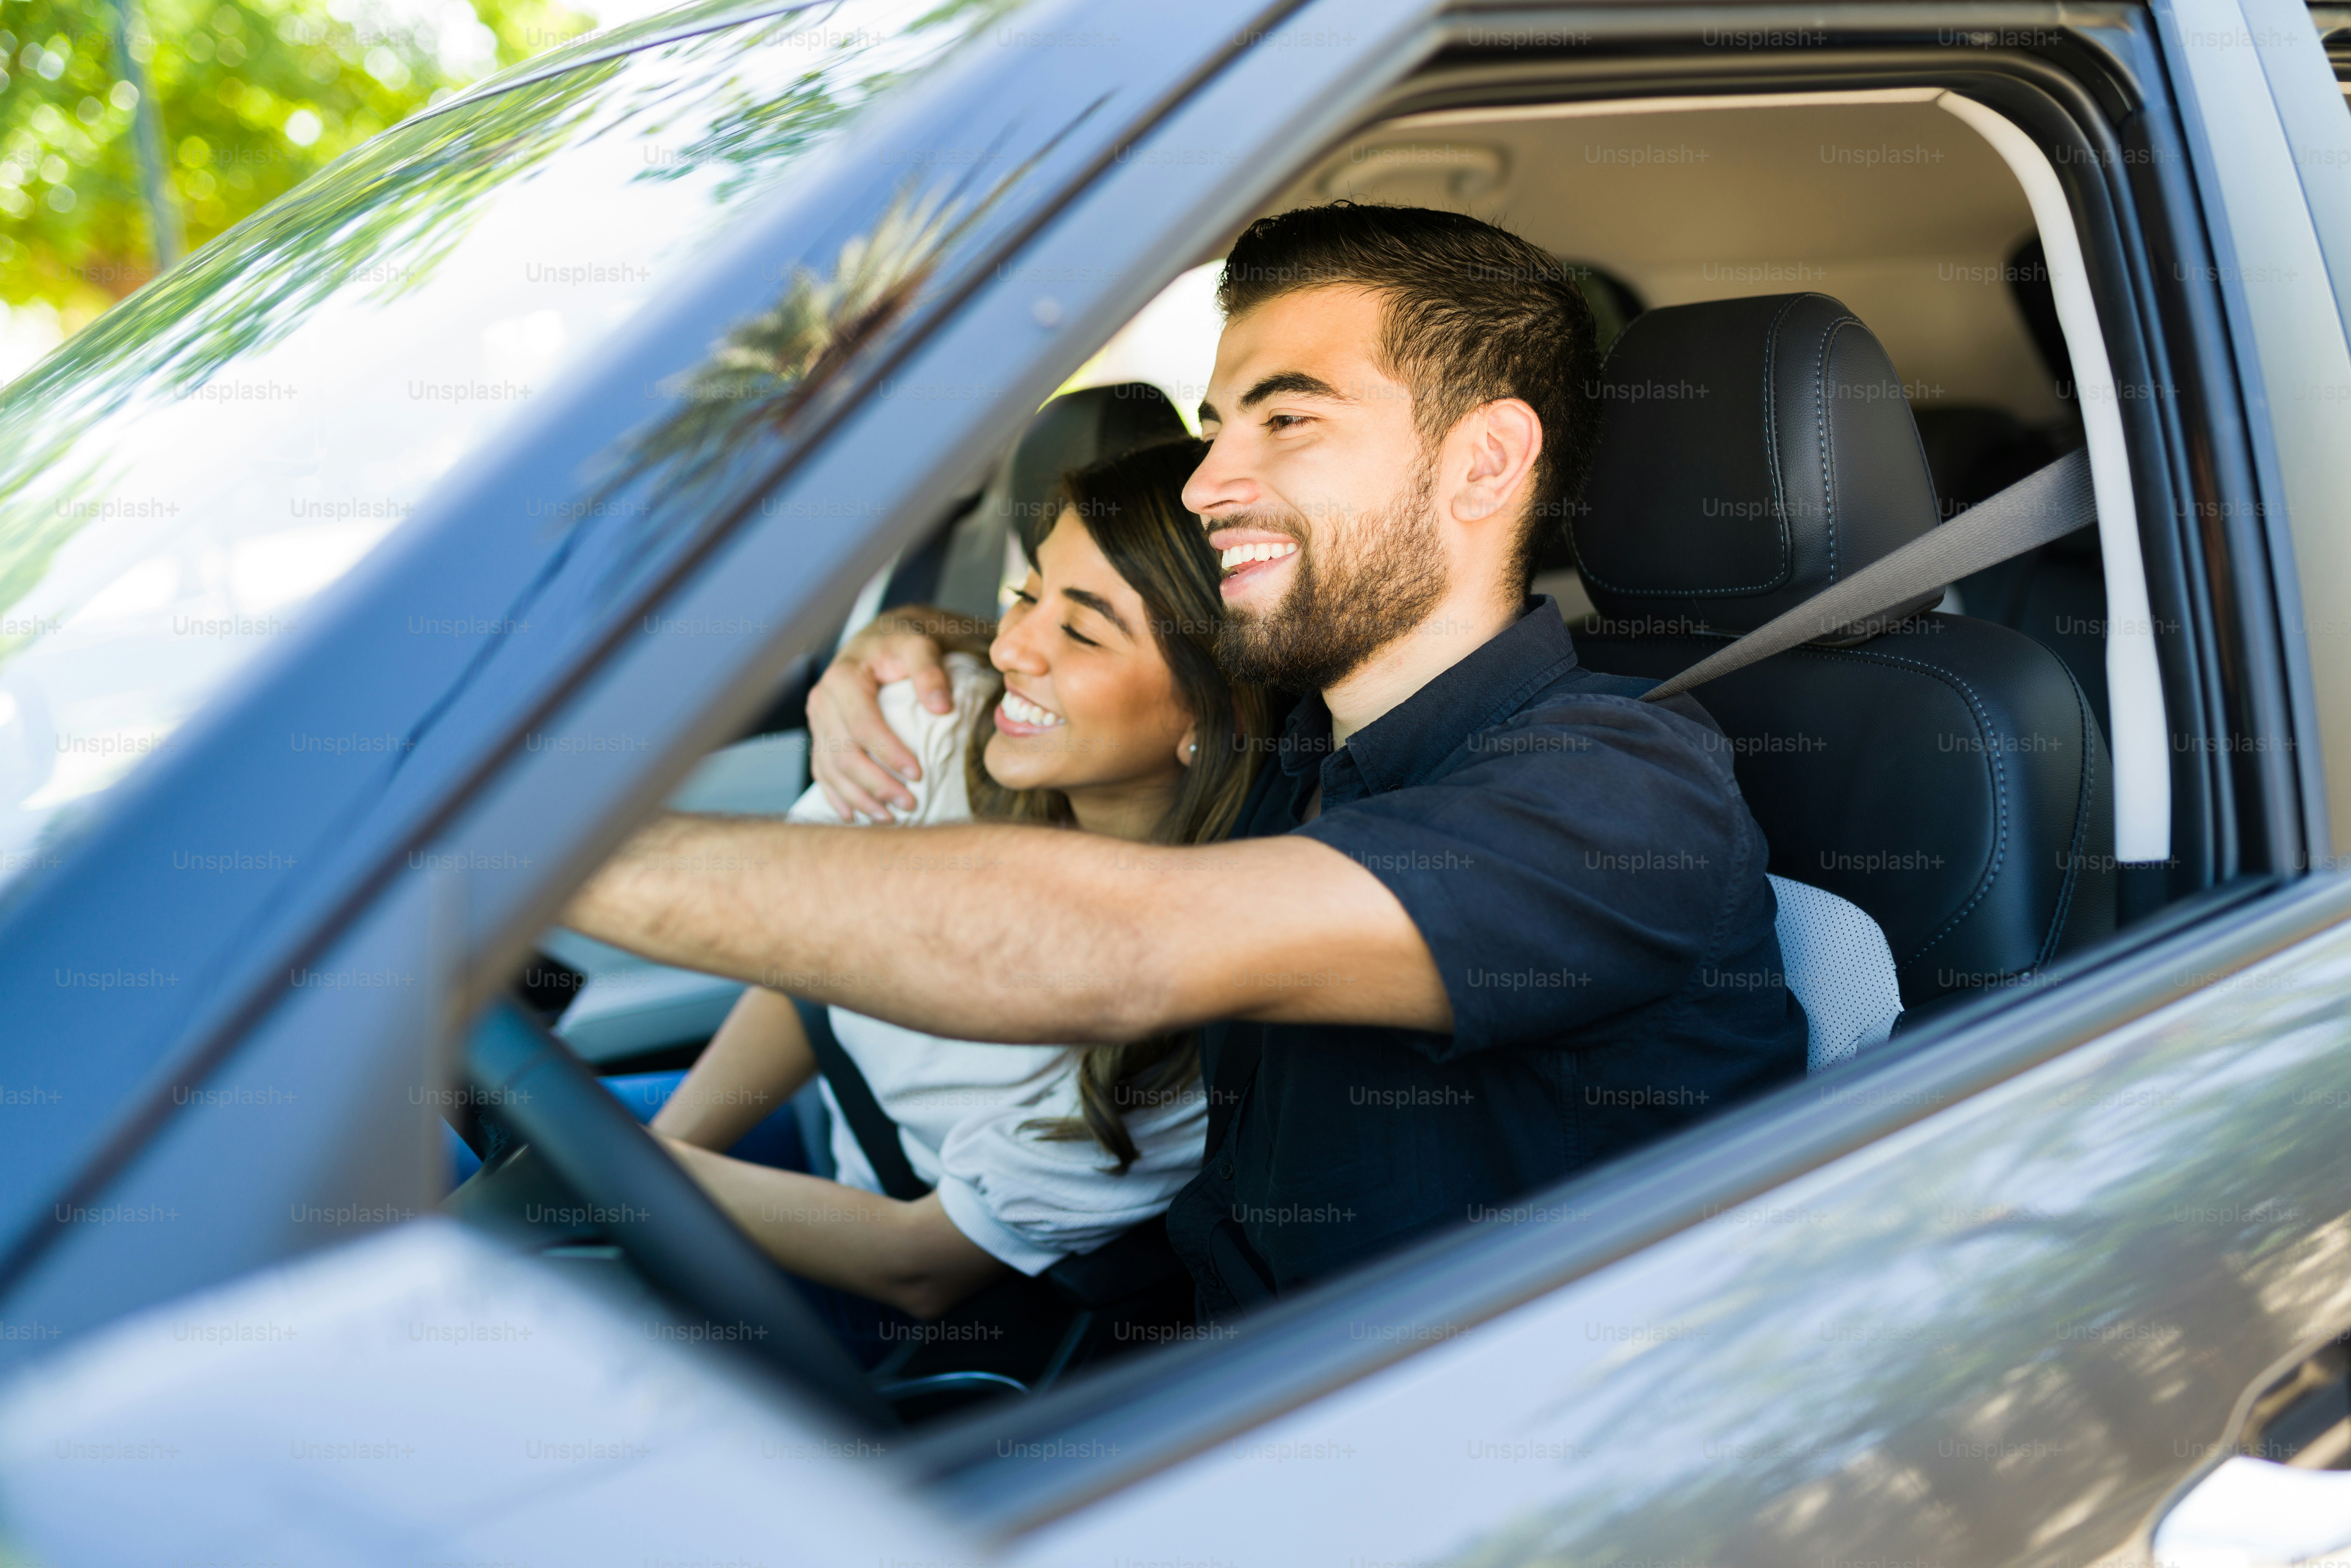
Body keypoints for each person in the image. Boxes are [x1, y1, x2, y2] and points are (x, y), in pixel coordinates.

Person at [569, 202, 1809, 1322]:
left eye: (1287, 419)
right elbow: (1113, 675)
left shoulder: (1620, 791)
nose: (1211, 482)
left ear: (1482, 462)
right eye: (1219, 426)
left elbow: (1117, 949)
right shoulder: (1296, 736)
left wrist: (535, 861)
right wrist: (926, 643)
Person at [636, 438, 1272, 1348]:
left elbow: (916, 1264)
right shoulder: (938, 726)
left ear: (1209, 722)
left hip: (886, 1287)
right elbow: (804, 956)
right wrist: (674, 1149)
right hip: (790, 1140)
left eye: (1081, 631)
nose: (1009, 645)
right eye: (1027, 595)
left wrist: (644, 1181)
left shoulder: (1193, 1034)